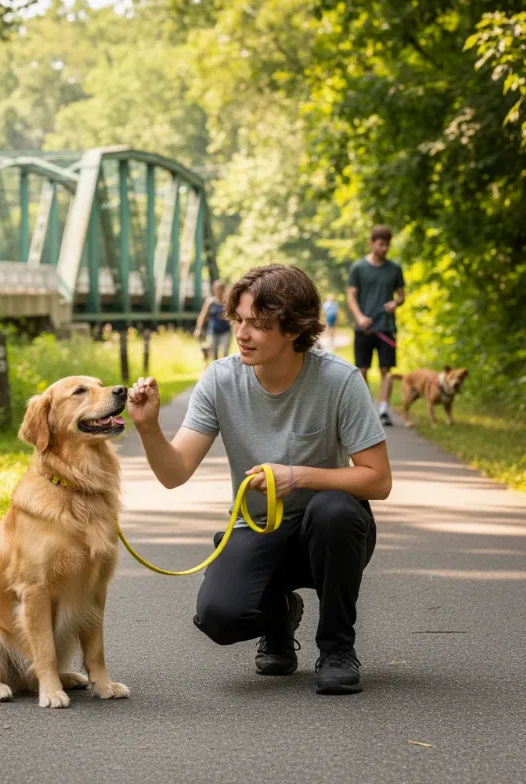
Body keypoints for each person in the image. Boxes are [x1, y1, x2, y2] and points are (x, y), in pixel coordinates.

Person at [127, 264, 391, 695]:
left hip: (330, 533)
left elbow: (378, 481)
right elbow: (175, 473)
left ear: (292, 329)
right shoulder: (220, 378)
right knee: (218, 617)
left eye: (258, 324)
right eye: (239, 321)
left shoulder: (340, 381)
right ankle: (281, 614)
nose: (242, 333)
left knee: (335, 509)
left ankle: (338, 647)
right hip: (258, 526)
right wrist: (148, 427)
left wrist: (299, 476)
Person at [346, 225, 406, 427]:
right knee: (362, 370)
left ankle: (384, 410)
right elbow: (351, 296)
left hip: (386, 326)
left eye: (387, 245)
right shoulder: (358, 268)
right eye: (381, 244)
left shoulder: (394, 269)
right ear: (372, 243)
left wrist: (396, 303)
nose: (384, 248)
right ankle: (367, 409)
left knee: (385, 370)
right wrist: (360, 317)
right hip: (364, 327)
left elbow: (401, 295)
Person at [194, 281, 231, 363]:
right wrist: (198, 329)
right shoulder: (210, 302)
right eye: (218, 289)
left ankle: (225, 372)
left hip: (225, 331)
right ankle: (215, 372)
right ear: (214, 290)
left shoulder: (227, 302)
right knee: (214, 354)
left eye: (222, 289)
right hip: (213, 331)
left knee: (225, 353)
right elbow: (203, 316)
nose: (220, 291)